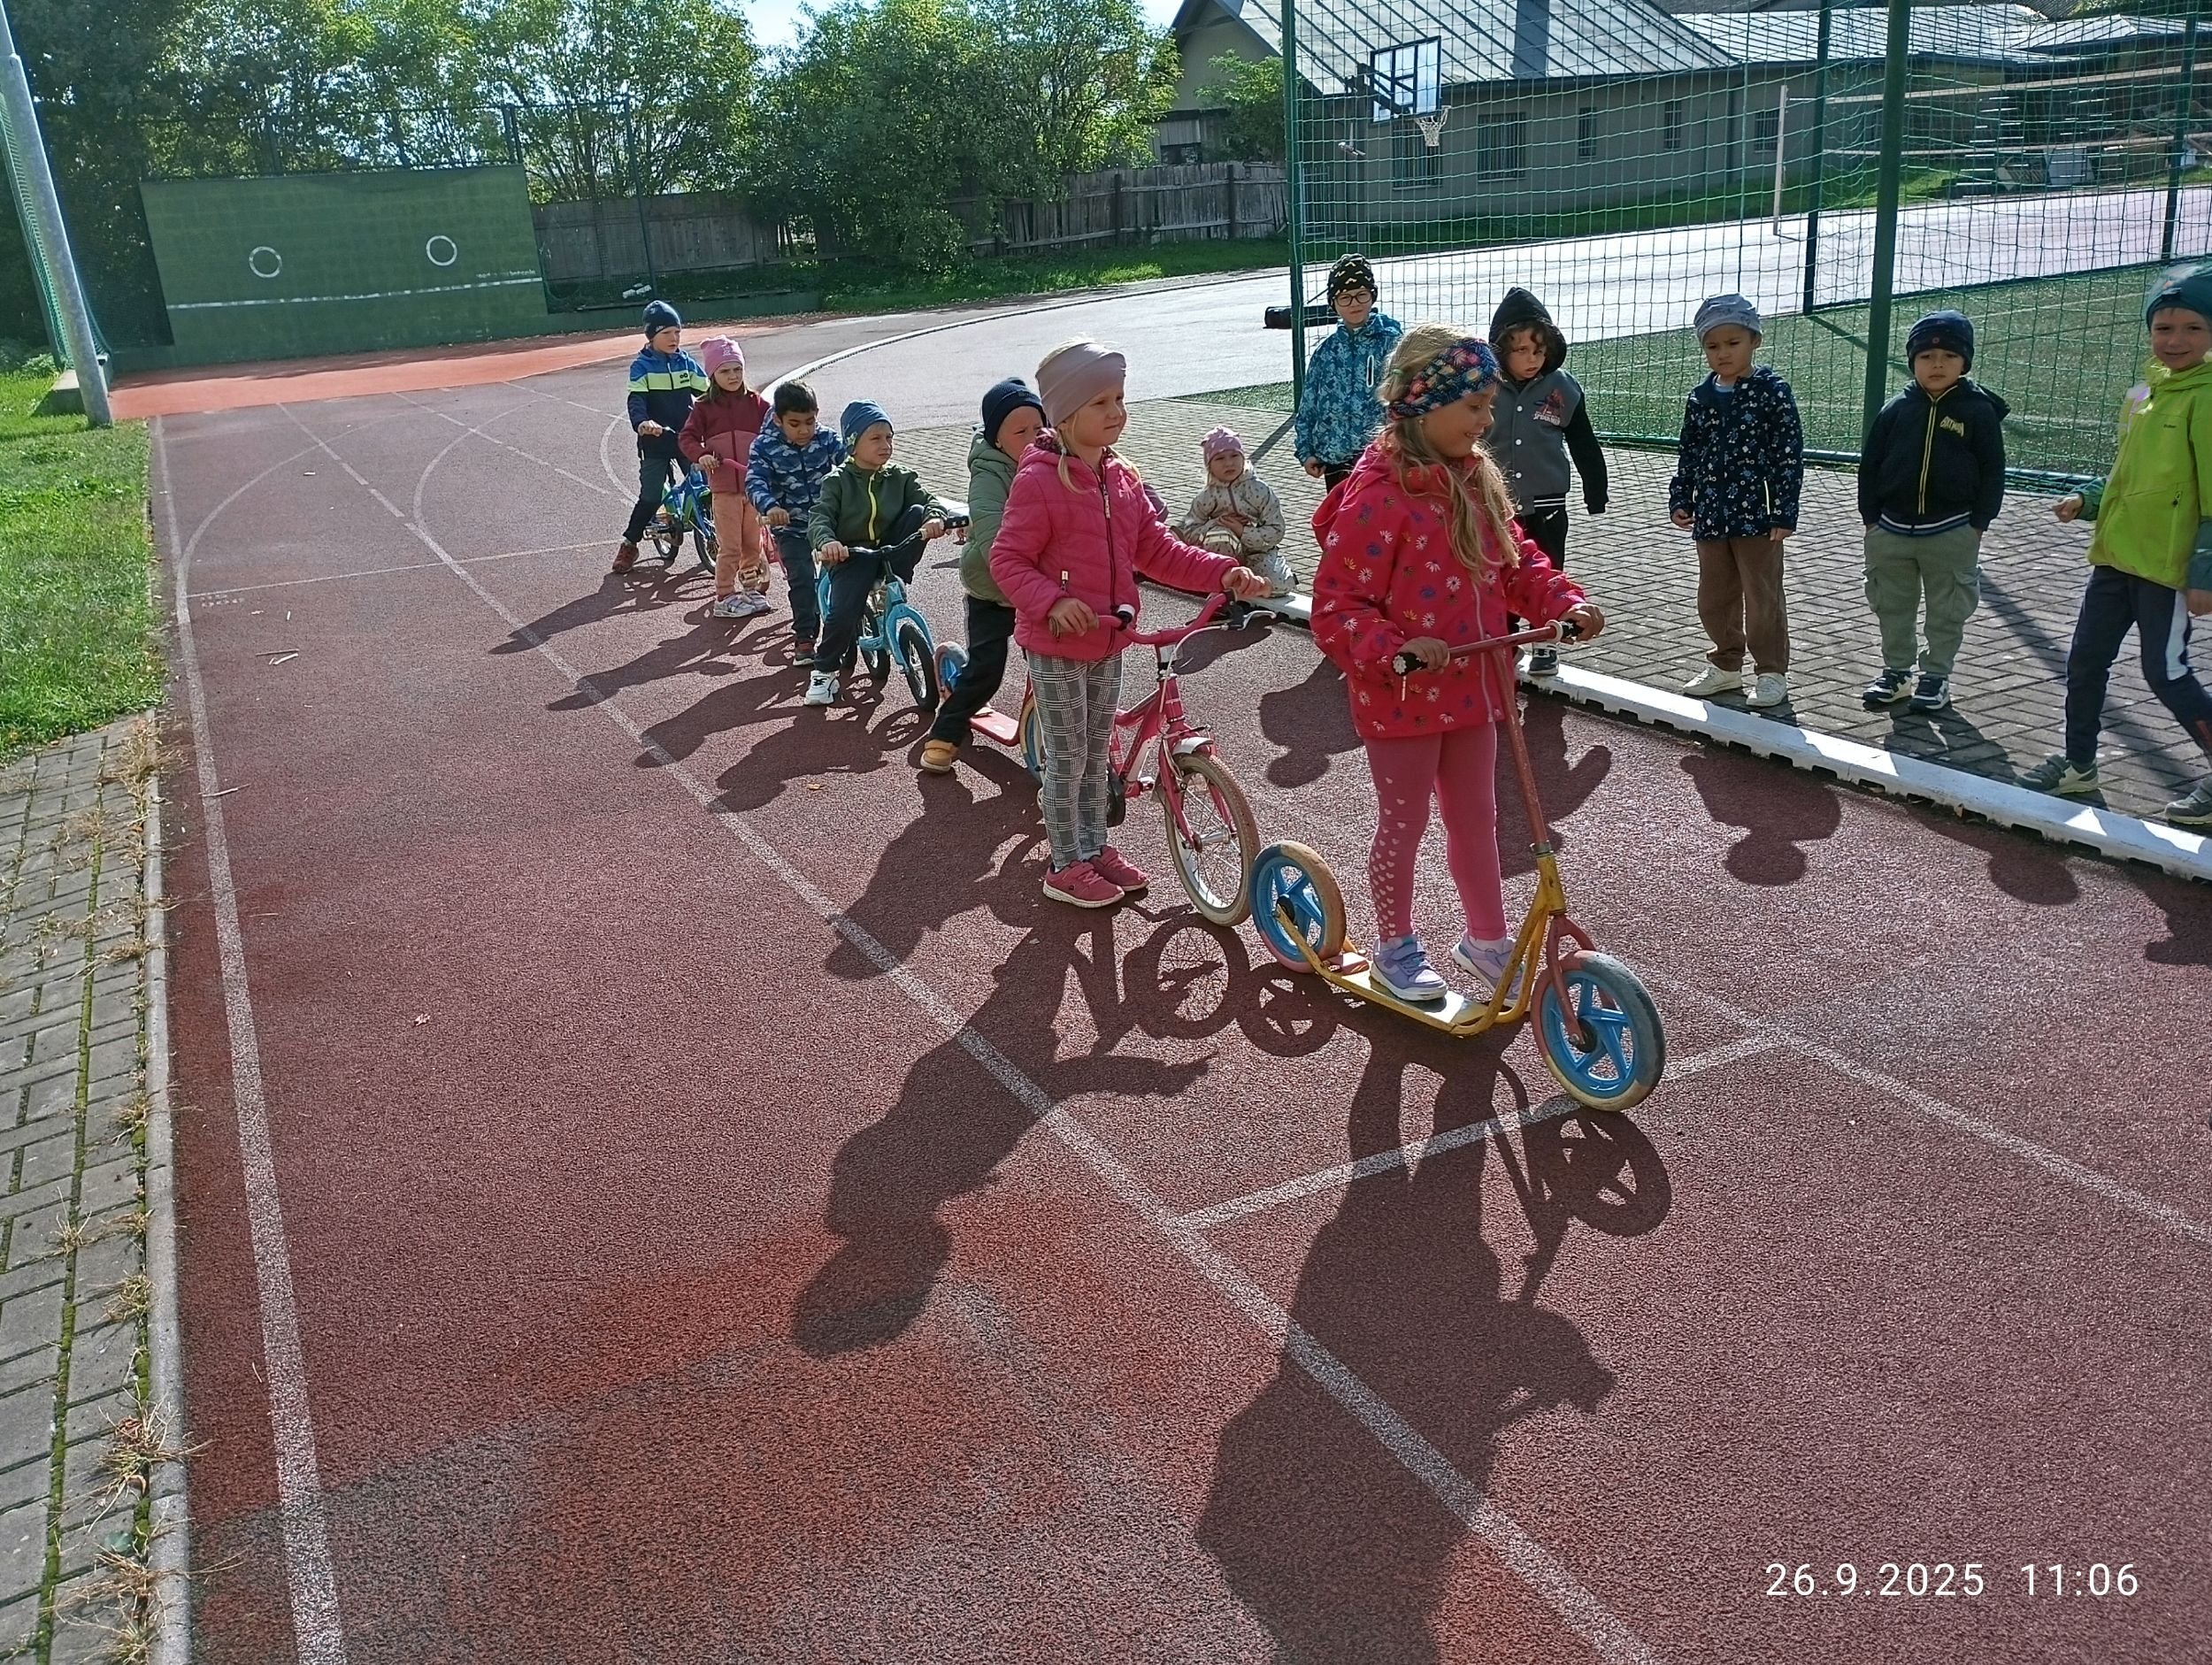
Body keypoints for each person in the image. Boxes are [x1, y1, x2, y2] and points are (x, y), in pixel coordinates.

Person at [1311, 325, 1602, 1003]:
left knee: (1477, 817)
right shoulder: (1379, 495)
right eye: (1473, 406)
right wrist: (1394, 649)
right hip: (1402, 697)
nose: (1485, 420)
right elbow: (1337, 606)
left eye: (1487, 405)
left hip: (1475, 686)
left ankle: (1486, 938)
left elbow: (1516, 563)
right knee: (1404, 822)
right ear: (1424, 404)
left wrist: (1563, 601)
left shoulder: (1475, 480)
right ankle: (1395, 948)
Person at [989, 339, 1269, 907]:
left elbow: (1158, 551)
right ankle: (1065, 864)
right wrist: (1051, 602)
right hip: (1058, 643)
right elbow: (1008, 560)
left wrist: (1224, 572)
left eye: (1119, 398)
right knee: (1069, 758)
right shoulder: (1039, 480)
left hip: (1108, 639)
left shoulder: (1122, 478)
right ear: (1065, 414)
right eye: (1100, 402)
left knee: (1096, 754)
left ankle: (1092, 847)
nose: (1116, 411)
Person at [2018, 269, 2212, 826]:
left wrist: (2203, 572)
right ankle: (2079, 763)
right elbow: (2126, 476)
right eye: (2163, 328)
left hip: (2165, 570)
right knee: (2085, 662)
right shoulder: (2145, 396)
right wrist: (2088, 499)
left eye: (2192, 328)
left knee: (2165, 672)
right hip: (2115, 559)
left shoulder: (2207, 400)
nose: (2175, 340)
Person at [1857, 311, 2008, 712]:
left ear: (1964, 362)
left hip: (1952, 530)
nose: (1937, 364)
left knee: (1948, 610)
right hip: (1891, 531)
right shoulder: (1895, 409)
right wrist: (1871, 520)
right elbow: (1870, 466)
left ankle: (1936, 676)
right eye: (1926, 356)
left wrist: (1978, 524)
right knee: (1892, 606)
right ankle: (1896, 672)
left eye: (1948, 356)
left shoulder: (1978, 410)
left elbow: (1993, 470)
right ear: (1912, 362)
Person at [1670, 294, 1802, 710]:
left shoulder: (1772, 392)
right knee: (1714, 597)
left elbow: (1788, 455)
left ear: (1754, 341)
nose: (1723, 353)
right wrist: (1682, 496)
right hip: (1711, 515)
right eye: (1712, 345)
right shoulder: (1700, 396)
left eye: (1733, 343)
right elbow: (1690, 451)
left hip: (1757, 517)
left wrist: (1784, 510)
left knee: (1762, 596)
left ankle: (1771, 672)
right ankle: (1726, 665)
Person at [921, 379, 1045, 774]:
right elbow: (994, 535)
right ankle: (946, 731)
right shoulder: (990, 475)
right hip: (993, 588)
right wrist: (1021, 578)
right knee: (986, 669)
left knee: (1055, 667)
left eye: (1039, 427)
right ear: (997, 439)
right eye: (1020, 432)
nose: (1033, 438)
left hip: (1040, 589)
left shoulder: (1054, 461)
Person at [1485, 287, 1609, 678]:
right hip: (1496, 506)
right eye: (1521, 350)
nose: (1532, 359)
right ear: (1500, 350)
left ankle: (1546, 643)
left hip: (1548, 505)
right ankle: (1504, 642)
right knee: (1499, 575)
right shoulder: (1484, 388)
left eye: (1539, 350)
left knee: (1548, 571)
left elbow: (1583, 441)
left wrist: (1596, 490)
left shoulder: (1562, 388)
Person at [805, 401, 949, 708]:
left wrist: (935, 517)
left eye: (889, 438)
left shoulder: (900, 477)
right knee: (843, 612)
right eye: (876, 438)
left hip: (890, 552)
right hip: (851, 555)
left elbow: (929, 500)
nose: (886, 445)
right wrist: (828, 542)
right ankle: (824, 670)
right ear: (853, 444)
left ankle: (891, 581)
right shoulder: (837, 482)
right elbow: (820, 518)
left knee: (918, 511)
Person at [746, 380, 843, 665]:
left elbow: (851, 463)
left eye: (809, 422)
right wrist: (771, 506)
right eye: (795, 424)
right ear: (778, 419)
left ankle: (849, 628)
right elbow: (754, 481)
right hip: (791, 527)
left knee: (847, 572)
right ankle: (805, 637)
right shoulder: (764, 447)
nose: (804, 430)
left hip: (828, 523)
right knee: (802, 580)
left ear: (817, 414)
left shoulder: (826, 439)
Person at [677, 337, 773, 618]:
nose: (733, 376)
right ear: (712, 375)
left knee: (752, 543)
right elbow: (687, 437)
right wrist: (701, 455)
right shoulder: (704, 407)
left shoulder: (757, 403)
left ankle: (751, 588)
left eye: (737, 369)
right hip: (724, 488)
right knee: (730, 545)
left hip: (753, 486)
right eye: (725, 371)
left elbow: (776, 429)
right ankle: (724, 595)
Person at [1294, 255, 1404, 491]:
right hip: (1335, 460)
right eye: (1345, 297)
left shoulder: (1392, 344)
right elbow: (1308, 406)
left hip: (1381, 460)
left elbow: (1408, 398)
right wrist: (1306, 451)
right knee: (1339, 514)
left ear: (1372, 295)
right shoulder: (1325, 352)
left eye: (1361, 294)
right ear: (1333, 303)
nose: (1354, 303)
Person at [614, 300, 707, 574]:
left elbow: (708, 393)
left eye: (677, 332)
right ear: (652, 335)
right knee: (651, 495)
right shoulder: (642, 367)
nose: (674, 338)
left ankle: (716, 532)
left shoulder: (686, 363)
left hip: (686, 438)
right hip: (655, 440)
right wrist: (643, 423)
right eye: (667, 333)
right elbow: (636, 400)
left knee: (706, 482)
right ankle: (629, 544)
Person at [1176, 426, 1291, 596]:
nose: (1229, 463)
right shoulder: (1206, 496)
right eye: (1220, 458)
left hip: (1259, 553)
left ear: (1243, 458)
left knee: (1282, 582)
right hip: (1225, 559)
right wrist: (1215, 523)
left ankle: (1244, 586)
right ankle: (1225, 586)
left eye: (1234, 456)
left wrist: (1243, 531)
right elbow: (1189, 532)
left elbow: (1277, 530)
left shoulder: (1260, 490)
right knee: (1220, 535)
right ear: (1209, 465)